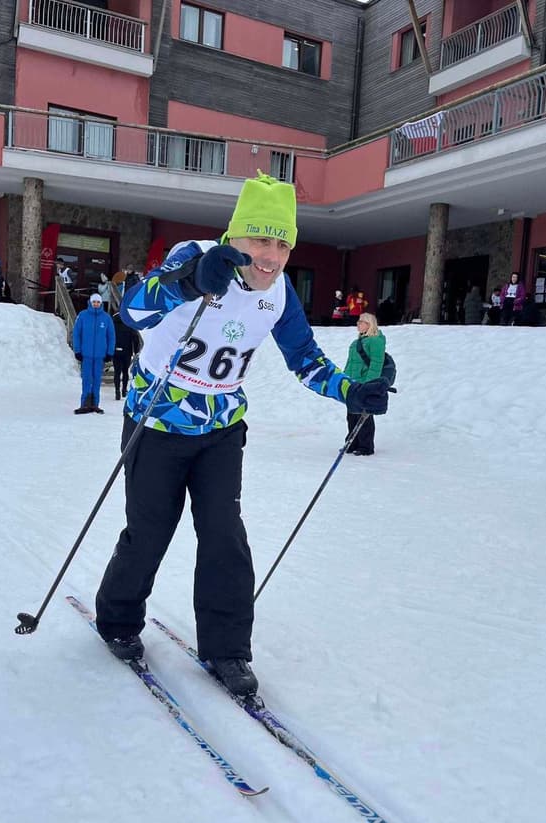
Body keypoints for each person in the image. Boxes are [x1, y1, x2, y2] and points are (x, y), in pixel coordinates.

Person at [93, 172, 390, 694]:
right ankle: (117, 620)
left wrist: (351, 390)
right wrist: (188, 282)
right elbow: (134, 309)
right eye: (260, 240)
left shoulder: (277, 294)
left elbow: (306, 359)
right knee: (150, 531)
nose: (271, 257)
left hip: (222, 430)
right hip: (157, 421)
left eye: (282, 244)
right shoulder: (196, 256)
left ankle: (227, 649)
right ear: (234, 238)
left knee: (225, 537)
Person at [343, 312, 386, 456]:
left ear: (369, 324)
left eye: (361, 321)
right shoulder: (356, 342)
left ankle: (365, 446)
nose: (358, 324)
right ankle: (352, 442)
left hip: (364, 383)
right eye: (358, 321)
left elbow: (376, 363)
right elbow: (350, 362)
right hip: (352, 382)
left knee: (364, 415)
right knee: (352, 414)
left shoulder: (375, 341)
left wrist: (369, 383)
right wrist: (345, 378)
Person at [72, 292, 115, 414]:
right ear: (90, 303)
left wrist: (110, 352)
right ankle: (84, 404)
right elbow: (76, 334)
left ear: (101, 303)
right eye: (94, 302)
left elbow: (111, 336)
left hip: (100, 356)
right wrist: (77, 350)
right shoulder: (83, 316)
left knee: (97, 380)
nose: (96, 304)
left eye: (98, 302)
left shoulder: (106, 318)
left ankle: (95, 404)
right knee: (86, 379)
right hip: (86, 355)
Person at [112, 310, 141, 400]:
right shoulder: (129, 323)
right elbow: (135, 338)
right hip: (127, 351)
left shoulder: (112, 323)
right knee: (125, 371)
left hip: (115, 350)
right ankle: (124, 390)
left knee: (117, 372)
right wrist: (136, 351)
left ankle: (117, 390)